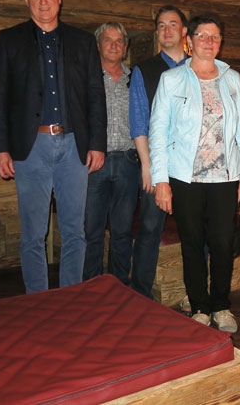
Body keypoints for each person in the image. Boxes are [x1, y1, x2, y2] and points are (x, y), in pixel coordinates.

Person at [0, 0, 106, 294]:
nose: (44, 2)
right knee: (33, 233)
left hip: (74, 145)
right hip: (30, 147)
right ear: (25, 0)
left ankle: (70, 298)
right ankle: (37, 300)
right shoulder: (9, 39)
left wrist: (97, 143)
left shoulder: (83, 41)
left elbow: (95, 94)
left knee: (74, 230)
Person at [149, 14, 240, 333]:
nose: (209, 41)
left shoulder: (232, 78)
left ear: (221, 41)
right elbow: (158, 132)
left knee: (221, 243)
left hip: (225, 177)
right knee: (191, 244)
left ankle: (220, 305)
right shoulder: (172, 80)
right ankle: (200, 307)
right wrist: (161, 181)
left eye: (215, 36)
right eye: (202, 35)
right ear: (189, 40)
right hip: (184, 177)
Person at [128, 5, 189, 299]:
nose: (167, 31)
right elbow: (139, 121)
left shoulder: (200, 67)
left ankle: (196, 295)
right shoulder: (145, 70)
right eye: (161, 26)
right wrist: (146, 165)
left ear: (184, 31)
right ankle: (140, 293)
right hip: (159, 164)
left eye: (173, 24)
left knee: (197, 231)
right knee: (150, 229)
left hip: (193, 167)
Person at [82, 22, 139, 283]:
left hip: (128, 162)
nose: (114, 45)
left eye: (119, 41)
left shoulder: (135, 79)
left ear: (125, 47)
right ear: (98, 45)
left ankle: (119, 286)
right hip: (94, 163)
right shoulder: (86, 78)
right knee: (91, 231)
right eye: (108, 40)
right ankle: (91, 286)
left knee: (122, 231)